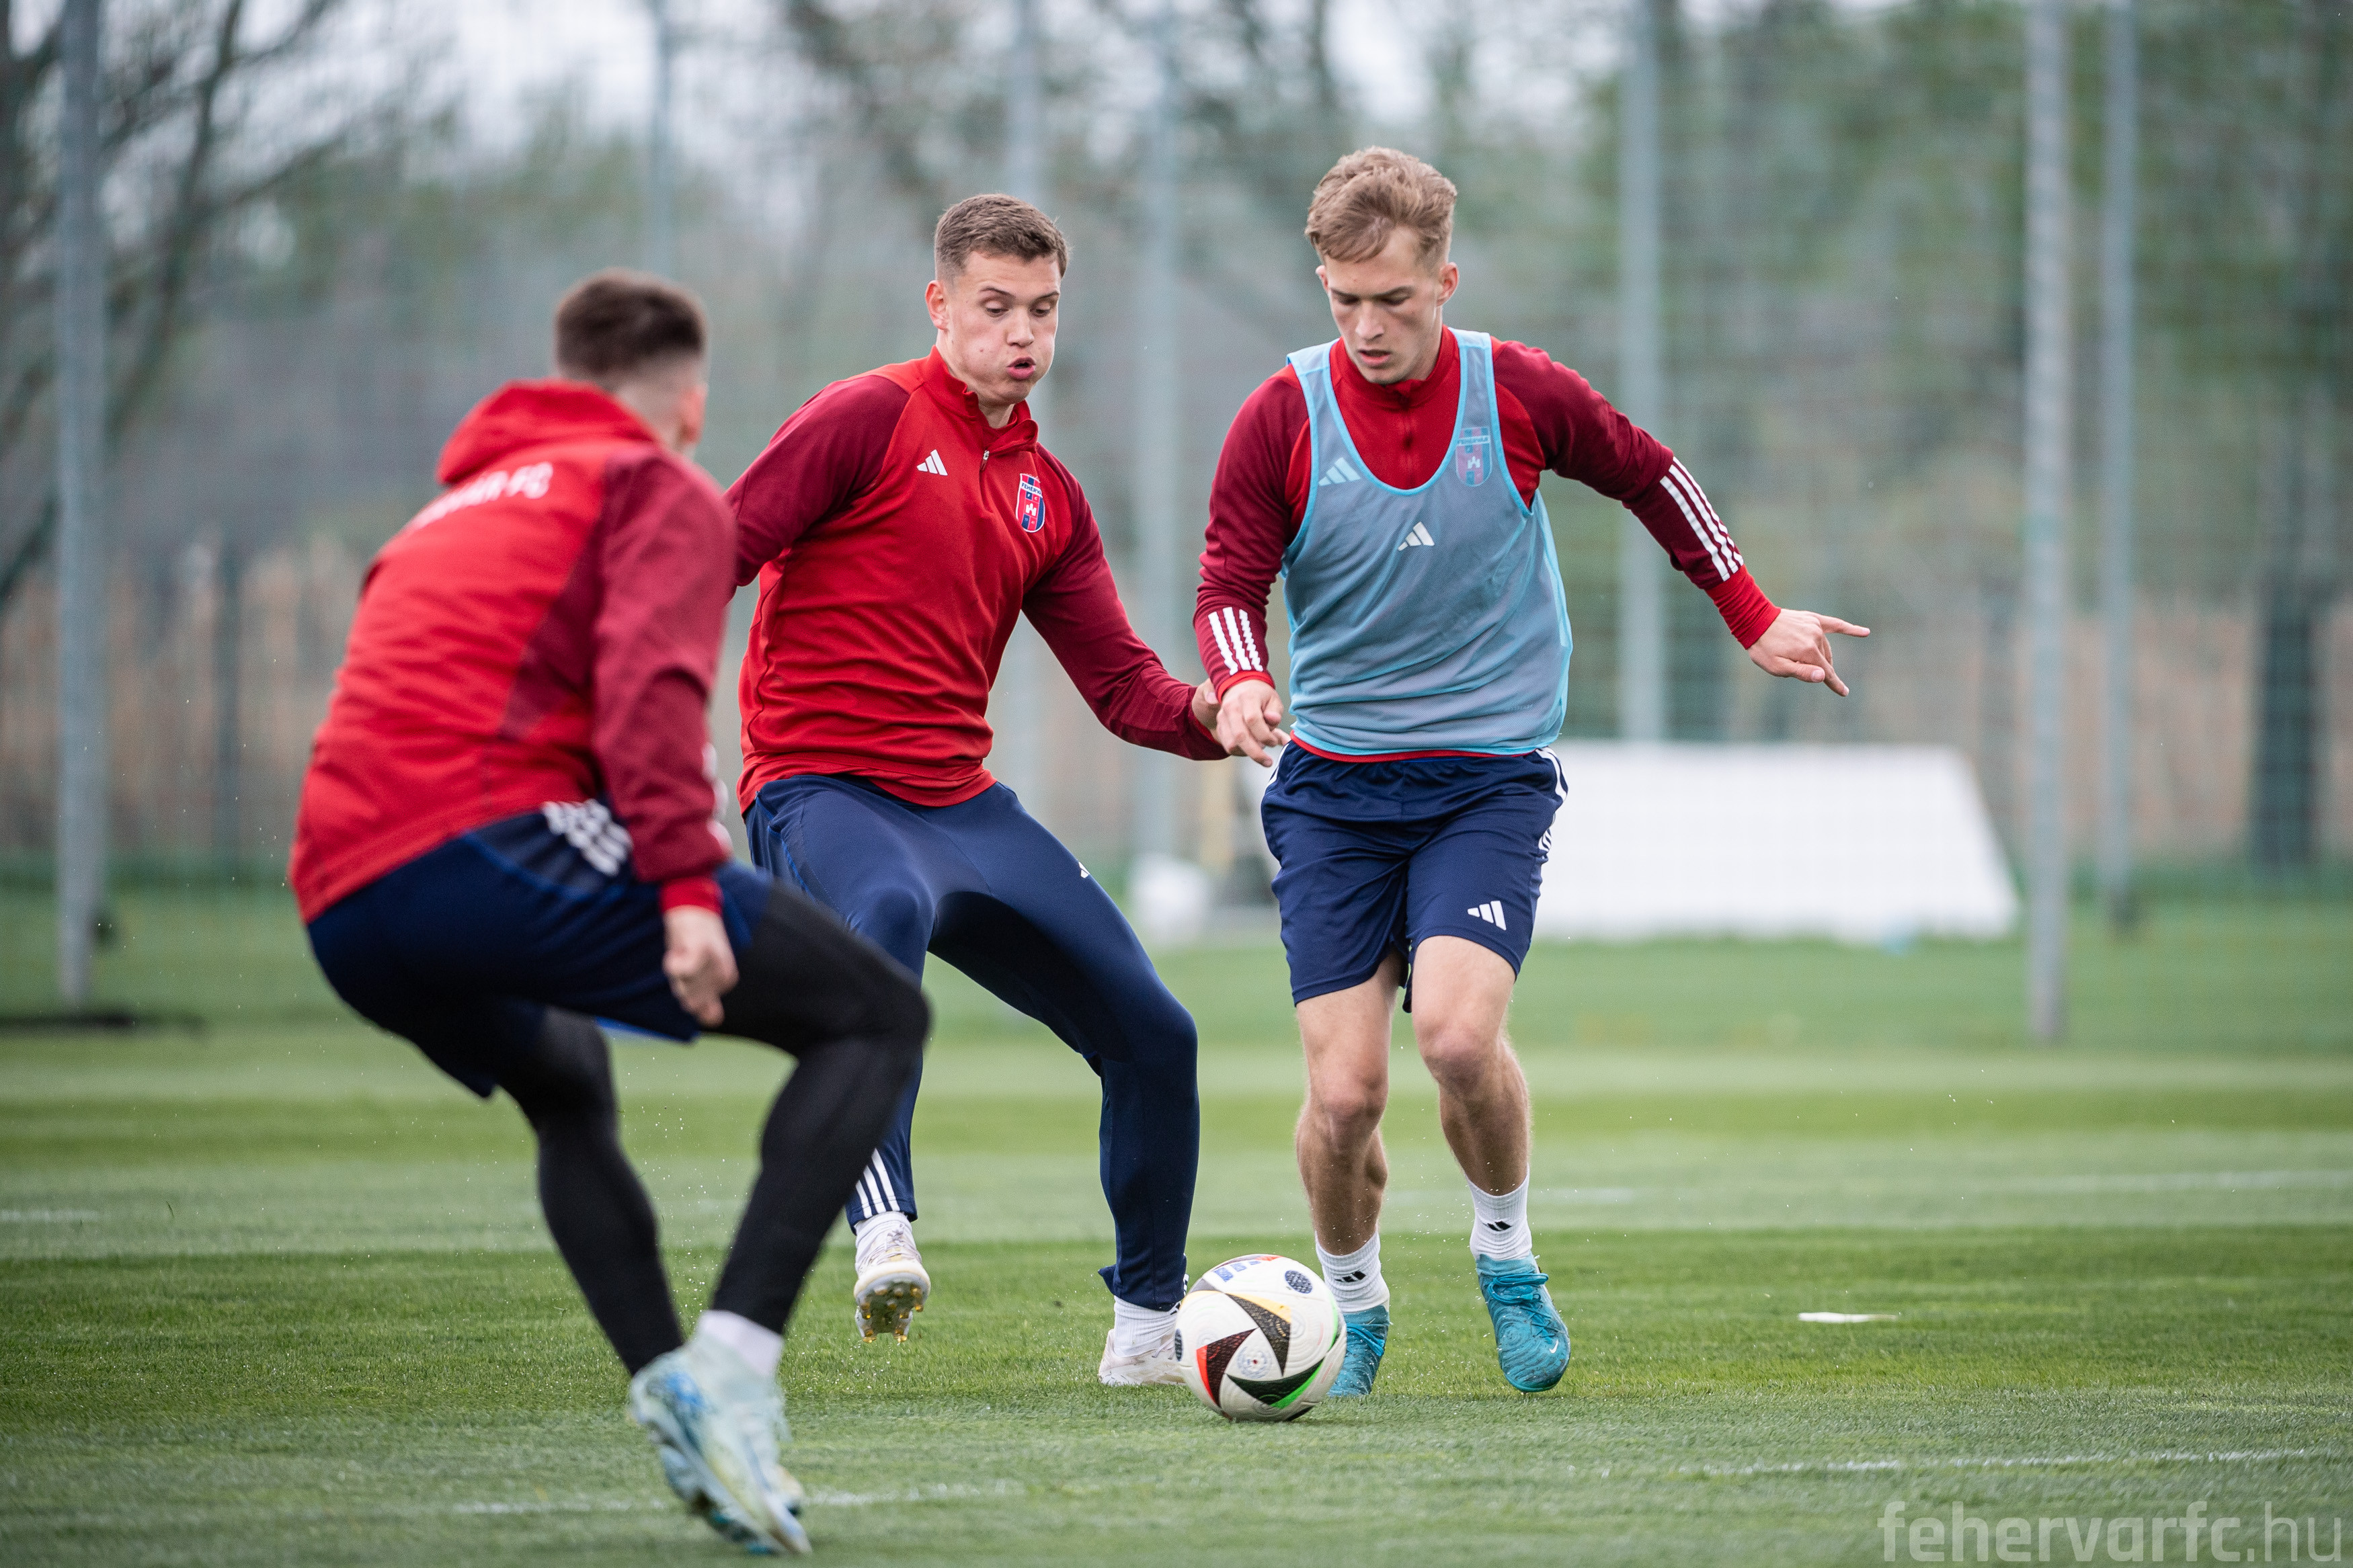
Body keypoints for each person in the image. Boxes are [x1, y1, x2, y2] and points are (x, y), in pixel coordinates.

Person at [1195, 149, 1868, 1397]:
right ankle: (1354, 1305)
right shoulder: (1281, 415)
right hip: (1334, 790)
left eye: (1394, 299)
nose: (1367, 327)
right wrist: (1239, 678)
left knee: (1457, 1039)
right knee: (1344, 1096)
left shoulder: (1517, 391)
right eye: (1344, 300)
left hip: (1487, 778)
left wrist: (1752, 610)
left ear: (1446, 282)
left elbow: (1651, 473)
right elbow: (1227, 581)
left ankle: (1506, 1258)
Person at [289, 270, 928, 1555]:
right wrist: (686, 888)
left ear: (560, 382)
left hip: (339, 894)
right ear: (689, 405)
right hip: (483, 843)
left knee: (568, 1076)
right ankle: (731, 1370)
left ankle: (674, 1401)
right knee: (874, 1015)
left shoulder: (444, 511)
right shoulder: (653, 486)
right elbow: (648, 692)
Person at [725, 194, 1230, 1383]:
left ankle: (1147, 1329)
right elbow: (716, 549)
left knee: (1157, 1033)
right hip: (816, 790)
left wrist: (1214, 715)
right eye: (996, 307)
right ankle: (882, 1225)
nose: (1022, 333)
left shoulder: (1047, 492)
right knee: (887, 912)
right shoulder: (865, 417)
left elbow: (1123, 686)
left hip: (959, 805)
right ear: (940, 303)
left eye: (1042, 310)